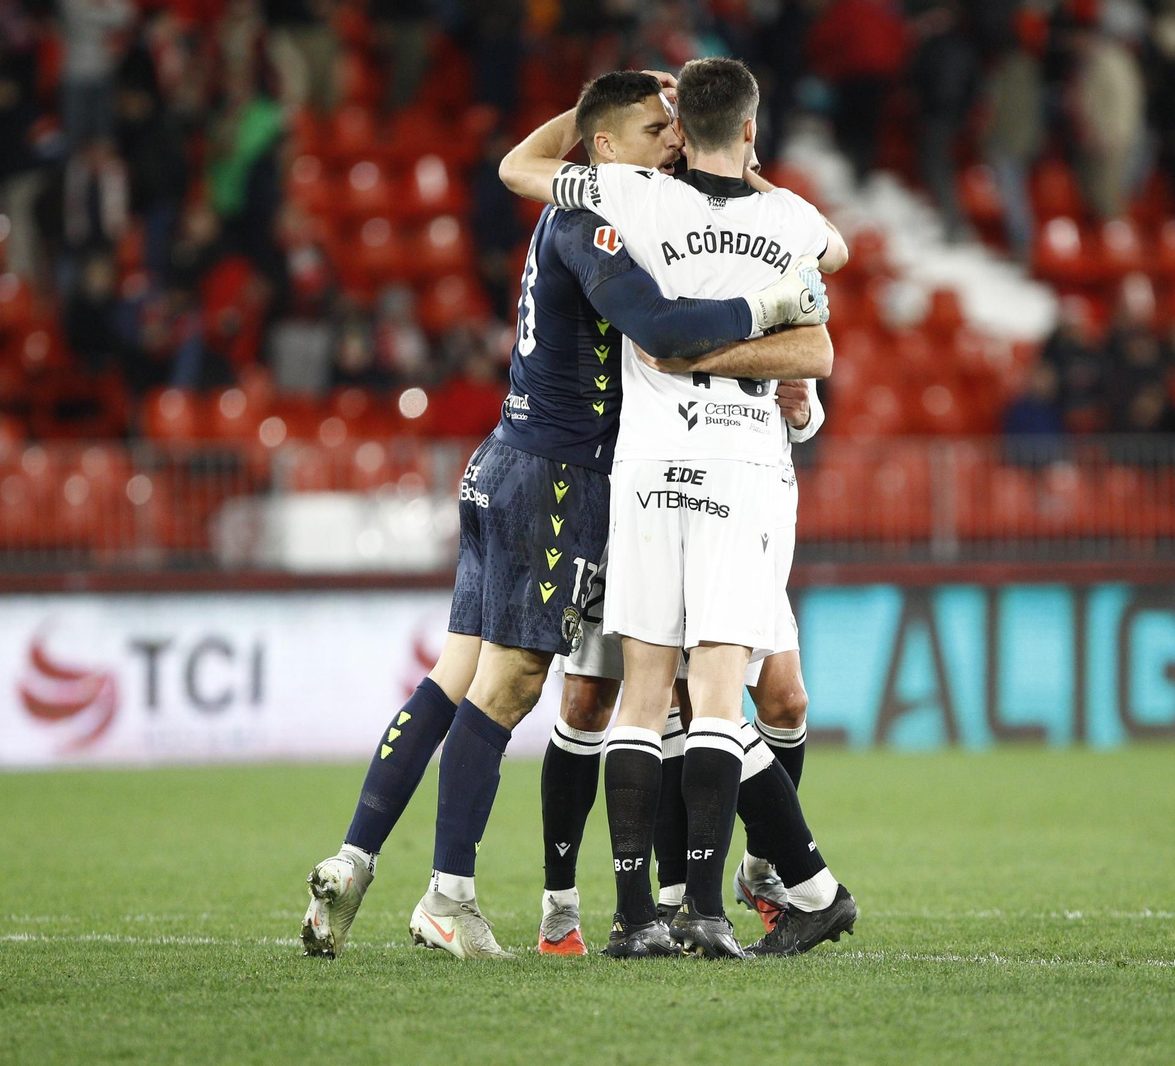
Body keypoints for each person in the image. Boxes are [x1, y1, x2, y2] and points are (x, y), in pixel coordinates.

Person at [298, 70, 831, 961]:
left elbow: (533, 159)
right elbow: (661, 329)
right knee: (516, 687)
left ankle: (355, 856)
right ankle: (452, 895)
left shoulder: (580, 199)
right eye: (654, 129)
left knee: (454, 678)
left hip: (506, 461)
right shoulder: (600, 220)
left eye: (677, 126)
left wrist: (608, 119)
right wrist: (770, 312)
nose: (671, 141)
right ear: (606, 150)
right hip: (558, 476)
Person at [500, 58, 856, 959]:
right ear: (751, 128)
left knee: (646, 693)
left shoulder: (628, 195)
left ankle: (637, 917)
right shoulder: (789, 218)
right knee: (714, 695)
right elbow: (833, 272)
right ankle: (703, 904)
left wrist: (689, 357)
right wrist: (758, 344)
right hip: (738, 468)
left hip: (650, 466)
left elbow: (517, 169)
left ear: (675, 126)